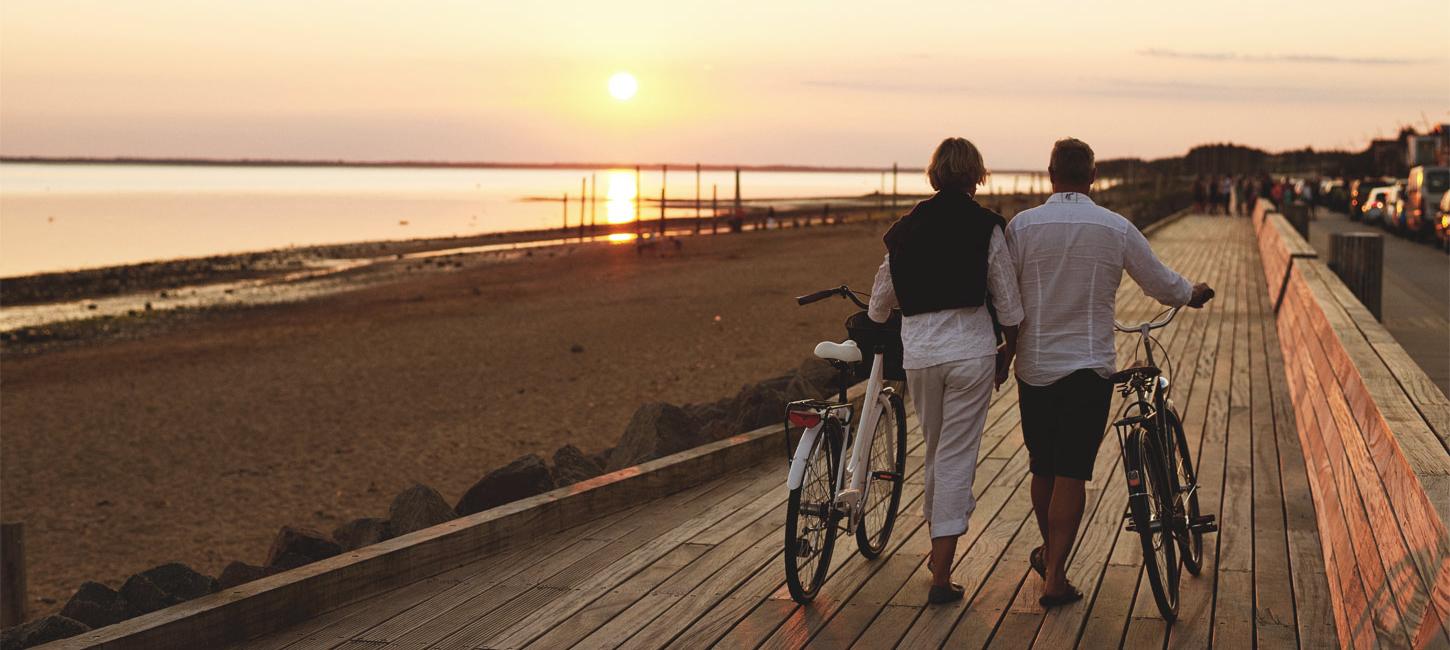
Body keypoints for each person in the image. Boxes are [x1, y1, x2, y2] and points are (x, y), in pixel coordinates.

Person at [1005, 138, 1214, 608]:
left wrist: (1004, 347)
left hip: (1034, 365)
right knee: (1072, 472)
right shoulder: (1114, 227)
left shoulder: (1022, 226)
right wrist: (1192, 293)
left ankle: (1052, 557)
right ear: (1093, 176)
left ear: (1050, 174)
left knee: (1043, 466)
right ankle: (1055, 574)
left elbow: (1005, 291)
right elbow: (1161, 283)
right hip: (1088, 367)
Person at [868, 137, 1023, 604]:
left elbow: (880, 300)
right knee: (954, 456)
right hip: (971, 353)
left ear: (935, 174)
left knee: (936, 450)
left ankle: (938, 552)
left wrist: (882, 320)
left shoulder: (907, 228)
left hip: (920, 356)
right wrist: (1007, 352)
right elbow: (1009, 302)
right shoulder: (985, 226)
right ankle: (941, 572)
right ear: (976, 175)